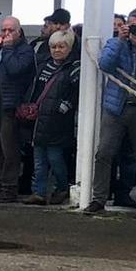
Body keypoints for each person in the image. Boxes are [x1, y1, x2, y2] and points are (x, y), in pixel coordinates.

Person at [86, 7, 136, 218]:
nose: (135, 30)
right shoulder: (116, 42)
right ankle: (98, 199)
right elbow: (105, 65)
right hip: (116, 106)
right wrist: (121, 41)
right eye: (132, 26)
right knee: (104, 152)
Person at [24, 29, 79, 205]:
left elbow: (76, 93)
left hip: (58, 121)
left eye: (61, 46)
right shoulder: (43, 66)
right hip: (40, 119)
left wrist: (64, 107)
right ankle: (39, 192)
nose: (57, 50)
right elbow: (35, 90)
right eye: (53, 47)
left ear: (69, 48)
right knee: (39, 159)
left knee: (55, 158)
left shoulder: (74, 68)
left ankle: (62, 188)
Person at [0, 16, 35, 203]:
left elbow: (15, 69)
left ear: (19, 31)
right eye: (3, 30)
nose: (6, 34)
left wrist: (6, 49)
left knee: (9, 151)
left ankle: (8, 188)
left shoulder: (25, 51)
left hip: (10, 106)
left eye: (10, 30)